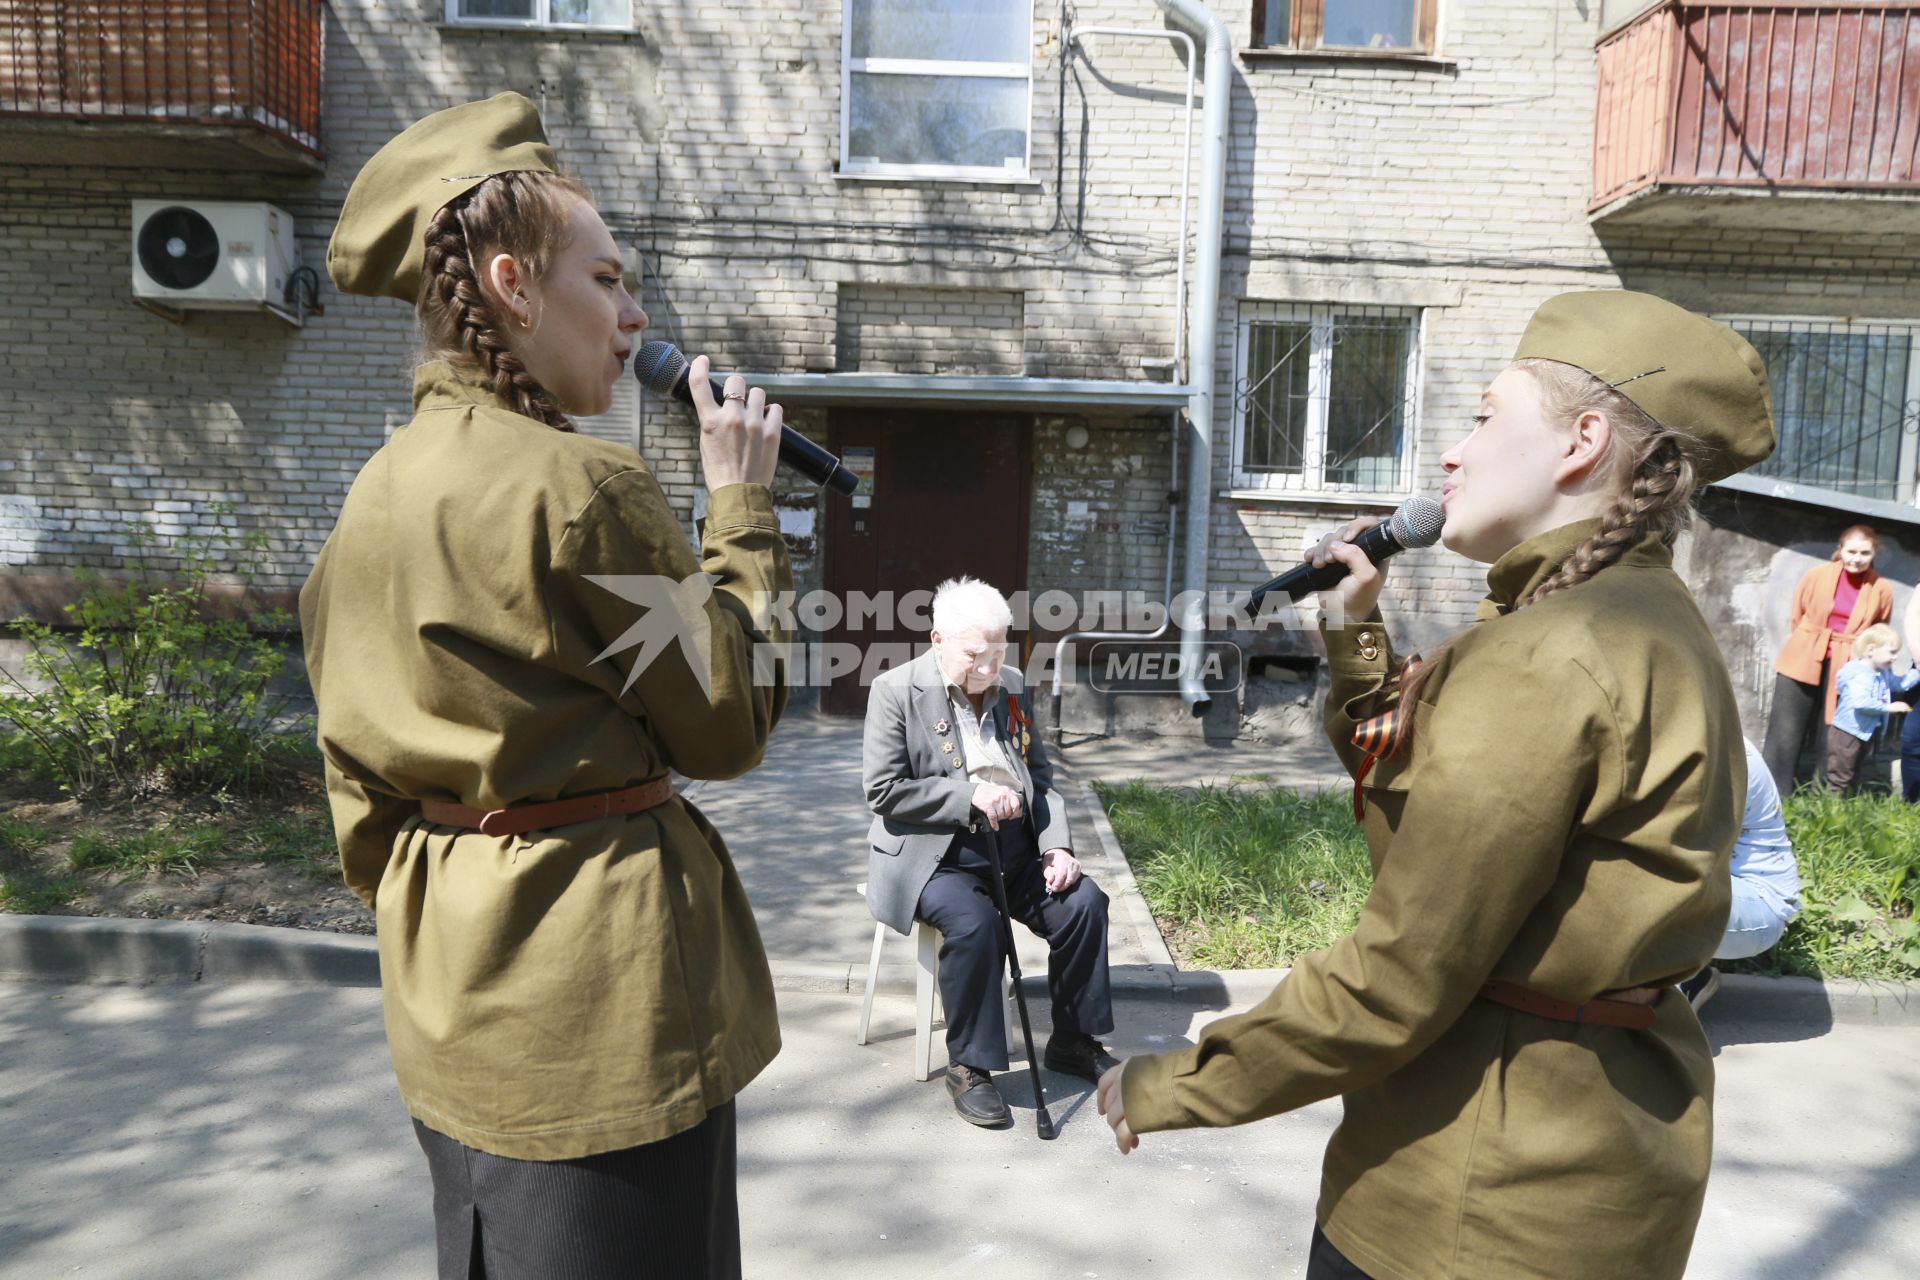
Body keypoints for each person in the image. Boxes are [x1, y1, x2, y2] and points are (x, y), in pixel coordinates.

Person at [1097, 289, 1776, 1280]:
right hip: (1592, 1179)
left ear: (1583, 441)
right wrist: (1356, 632)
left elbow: (1404, 967)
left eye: (1487, 414)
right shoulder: (1635, 615)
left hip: (1472, 1194)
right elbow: (1430, 799)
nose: (1453, 451)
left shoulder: (1554, 648)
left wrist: (1178, 1081)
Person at [300, 94, 790, 1279]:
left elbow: (357, 798)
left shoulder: (368, 499)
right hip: (603, 1027)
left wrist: (451, 900)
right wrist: (742, 513)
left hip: (448, 1011)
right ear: (513, 282)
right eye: (610, 280)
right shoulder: (584, 488)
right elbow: (724, 716)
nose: (633, 320)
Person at [861, 576, 1118, 1127]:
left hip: (1014, 847)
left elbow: (1042, 779)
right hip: (935, 854)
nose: (987, 668)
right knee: (977, 925)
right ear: (937, 640)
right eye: (975, 655)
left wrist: (1056, 846)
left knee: (1084, 904)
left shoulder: (1014, 684)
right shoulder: (894, 690)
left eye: (998, 652)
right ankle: (970, 1067)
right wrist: (969, 794)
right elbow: (883, 791)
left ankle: (1072, 1041)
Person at [1762, 525, 1893, 793]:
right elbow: (1797, 615)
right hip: (1803, 654)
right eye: (1851, 551)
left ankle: (1823, 800)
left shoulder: (1881, 589)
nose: (1856, 558)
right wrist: (1810, 642)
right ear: (1840, 549)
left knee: (1834, 734)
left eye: (1864, 553)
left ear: (1874, 553)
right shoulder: (1815, 576)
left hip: (1848, 666)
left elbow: (1877, 631)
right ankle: (1772, 796)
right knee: (1784, 733)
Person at [1679, 738, 1803, 1010]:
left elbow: (1680, 853)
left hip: (1761, 900)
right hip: (1714, 887)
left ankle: (1673, 999)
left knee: (1657, 891)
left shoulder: (1723, 751)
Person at [1826, 623, 1915, 794]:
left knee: (1855, 770)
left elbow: (1898, 684)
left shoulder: (1881, 673)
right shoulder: (1860, 674)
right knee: (1841, 775)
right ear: (1871, 650)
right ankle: (1832, 810)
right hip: (1847, 732)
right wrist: (1889, 707)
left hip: (1863, 732)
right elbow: (1861, 703)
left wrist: (1916, 672)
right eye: (1892, 652)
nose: (1895, 657)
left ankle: (1847, 805)